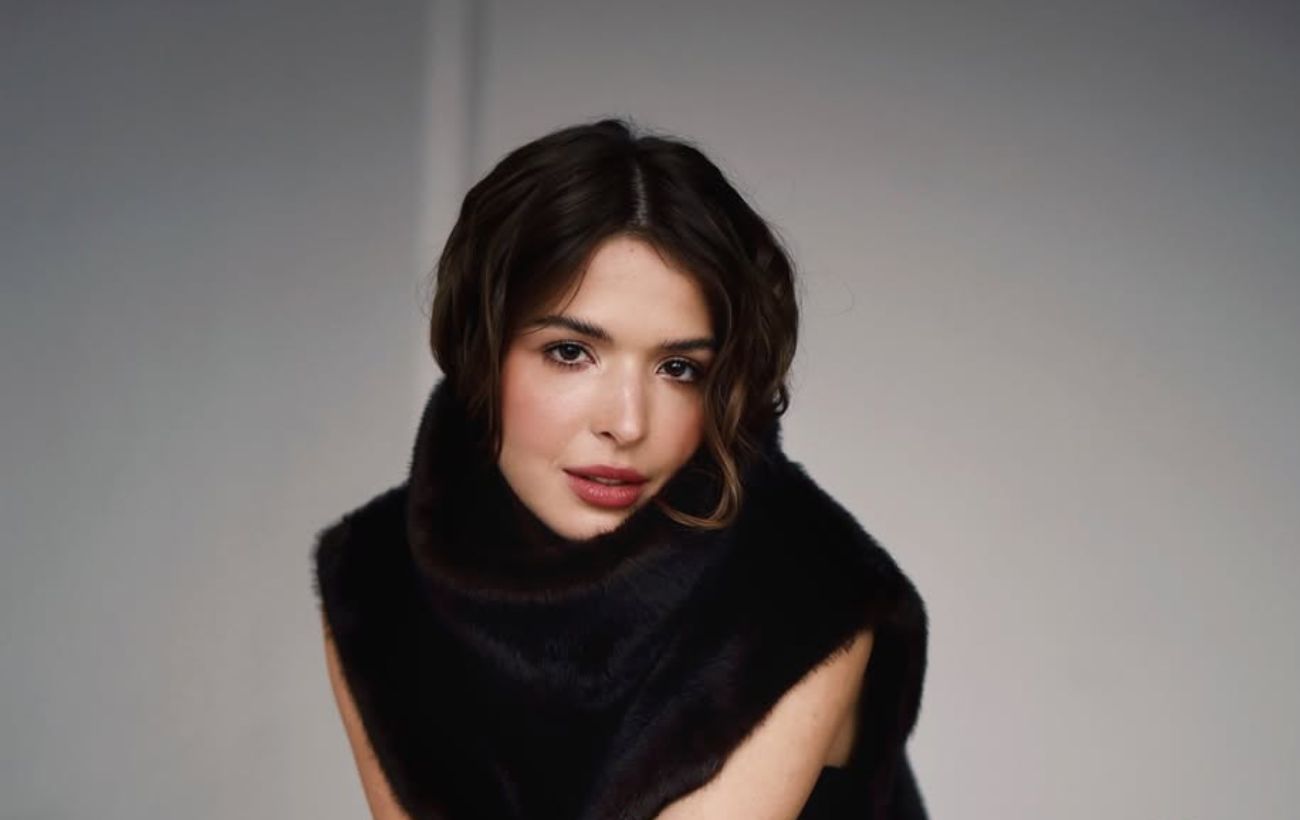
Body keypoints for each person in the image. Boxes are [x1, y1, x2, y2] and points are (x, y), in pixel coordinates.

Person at [312, 118, 929, 819]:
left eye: (679, 368)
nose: (627, 423)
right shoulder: (377, 576)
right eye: (571, 352)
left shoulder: (809, 590)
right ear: (481, 350)